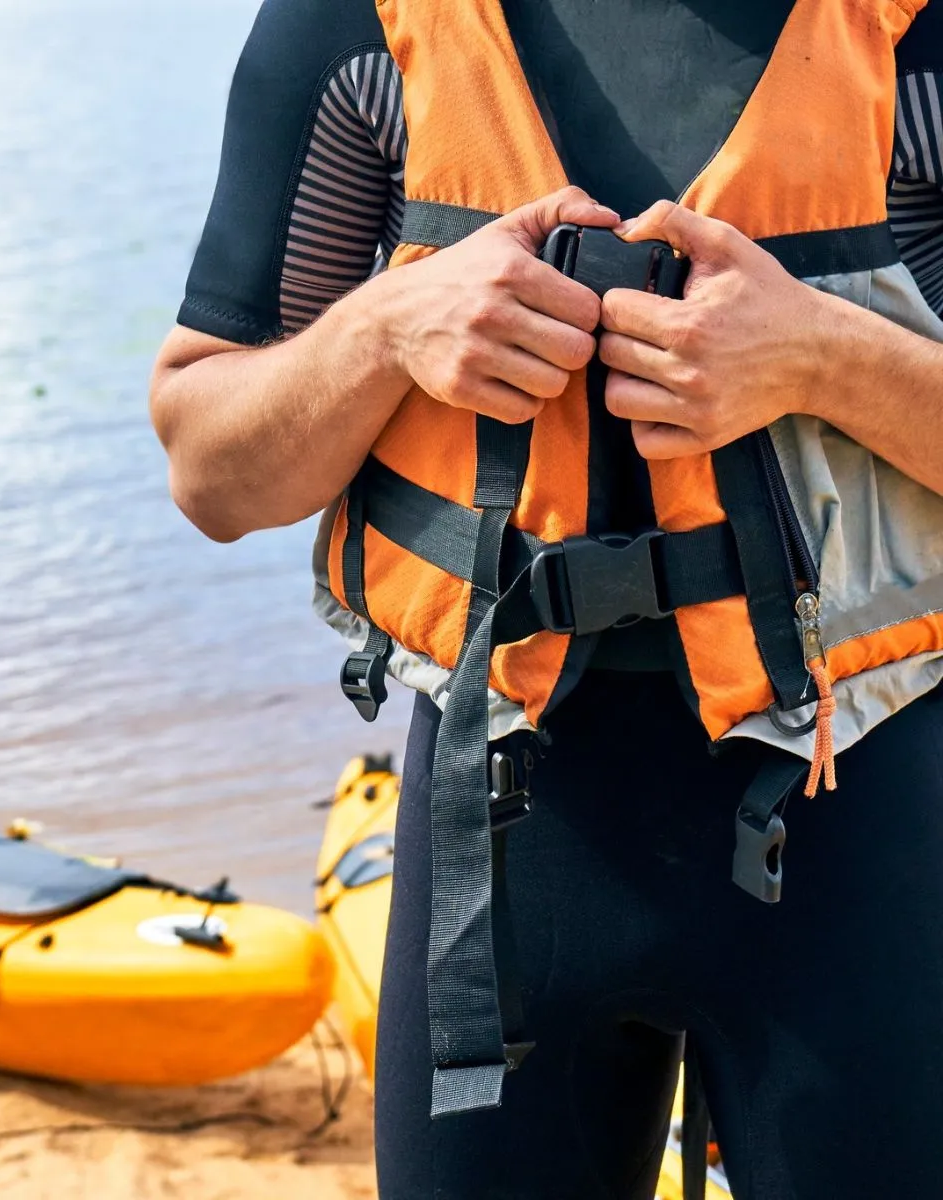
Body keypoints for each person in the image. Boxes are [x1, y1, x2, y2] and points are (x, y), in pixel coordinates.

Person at [150, 1, 943, 1196]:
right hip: (501, 843)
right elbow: (210, 471)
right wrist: (384, 328)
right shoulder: (358, 27)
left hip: (861, 806)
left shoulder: (916, 35)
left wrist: (822, 356)